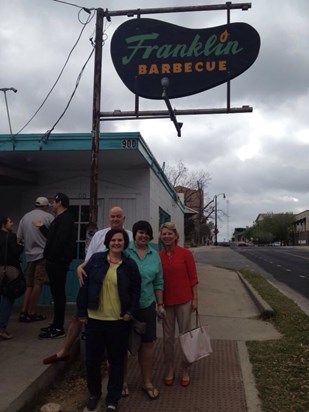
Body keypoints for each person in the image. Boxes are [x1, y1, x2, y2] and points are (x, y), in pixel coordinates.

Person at [42, 206, 132, 363]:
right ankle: (64, 351)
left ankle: (113, 364)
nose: (115, 219)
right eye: (112, 216)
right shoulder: (99, 235)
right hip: (95, 284)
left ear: (124, 219)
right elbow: (88, 259)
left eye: (119, 216)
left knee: (116, 323)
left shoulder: (130, 236)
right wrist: (80, 267)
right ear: (109, 218)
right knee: (79, 316)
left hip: (117, 287)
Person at [77, 228, 141, 412]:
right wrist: (82, 313)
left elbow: (136, 291)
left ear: (125, 243)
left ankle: (113, 398)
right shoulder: (96, 260)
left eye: (120, 240)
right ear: (108, 242)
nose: (116, 243)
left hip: (118, 321)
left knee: (117, 361)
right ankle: (94, 394)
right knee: (92, 360)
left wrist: (130, 312)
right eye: (113, 240)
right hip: (95, 319)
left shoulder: (130, 265)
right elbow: (84, 284)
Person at [124, 220, 164, 400]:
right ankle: (121, 381)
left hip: (147, 304)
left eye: (147, 233)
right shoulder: (125, 251)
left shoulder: (155, 255)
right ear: (135, 234)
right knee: (122, 344)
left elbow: (158, 282)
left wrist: (160, 304)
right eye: (140, 232)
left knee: (148, 343)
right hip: (124, 306)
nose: (144, 236)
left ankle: (146, 381)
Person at [159, 222, 199, 387]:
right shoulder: (158, 256)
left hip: (184, 300)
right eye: (164, 234)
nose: (167, 236)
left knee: (185, 336)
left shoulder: (186, 254)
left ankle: (185, 369)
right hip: (166, 303)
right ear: (160, 237)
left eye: (170, 234)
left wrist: (195, 299)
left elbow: (193, 278)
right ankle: (169, 368)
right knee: (168, 338)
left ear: (176, 236)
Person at [34, 193, 76, 339]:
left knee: (58, 295)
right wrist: (42, 228)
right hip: (55, 261)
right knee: (56, 294)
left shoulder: (66, 219)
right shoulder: (60, 219)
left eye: (53, 202)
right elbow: (53, 237)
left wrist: (51, 258)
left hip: (58, 262)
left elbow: (60, 241)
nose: (52, 204)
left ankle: (58, 328)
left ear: (59, 203)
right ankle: (55, 324)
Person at [17, 196, 54, 322]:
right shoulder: (49, 217)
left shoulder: (25, 217)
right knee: (38, 283)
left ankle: (23, 312)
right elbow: (53, 236)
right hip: (43, 255)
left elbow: (19, 238)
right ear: (45, 206)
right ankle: (32, 312)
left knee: (29, 285)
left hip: (29, 255)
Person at [0, 216, 24, 340]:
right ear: (4, 224)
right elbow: (15, 252)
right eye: (10, 221)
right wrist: (21, 246)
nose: (12, 223)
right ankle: (2, 328)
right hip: (9, 270)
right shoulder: (11, 236)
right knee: (8, 298)